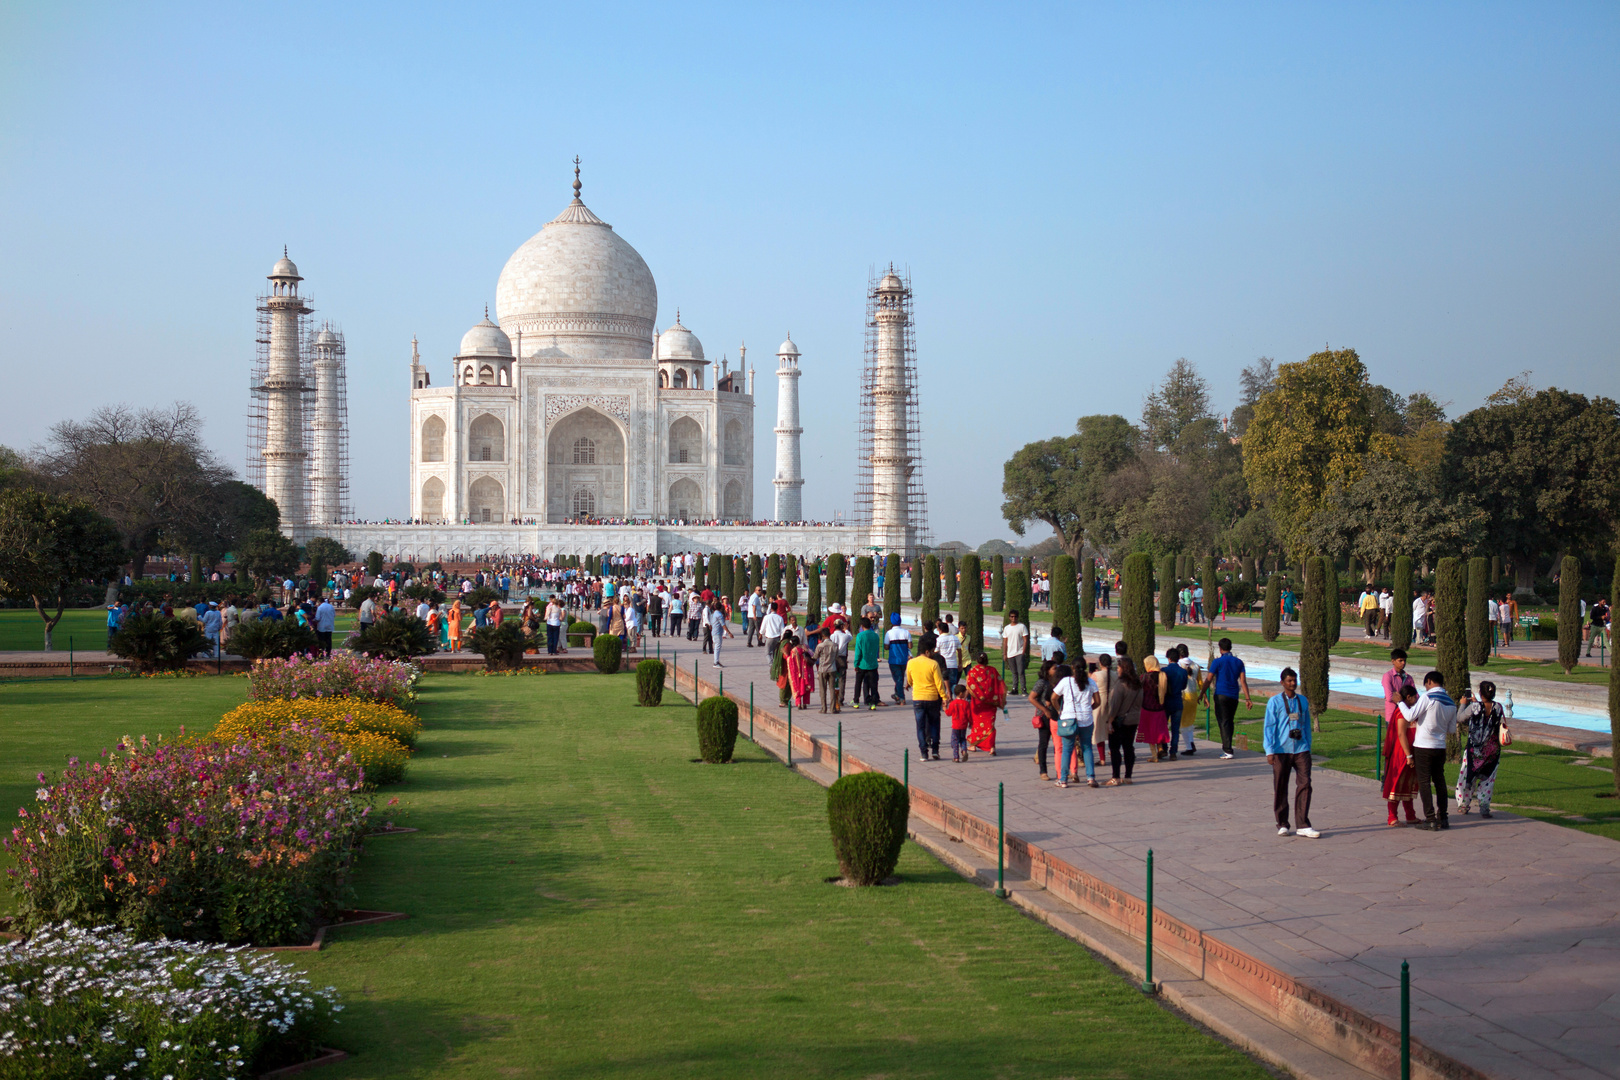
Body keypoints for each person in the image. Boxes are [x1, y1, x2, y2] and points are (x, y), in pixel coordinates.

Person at [1398, 670, 1459, 830]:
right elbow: (1452, 729)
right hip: (1440, 746)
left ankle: (1430, 818)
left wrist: (1400, 703)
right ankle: (1443, 817)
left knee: (1424, 782)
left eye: (1426, 684)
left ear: (1430, 682)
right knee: (1440, 781)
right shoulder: (1451, 702)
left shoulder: (1428, 697)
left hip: (1424, 745)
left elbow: (1410, 715)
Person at [1263, 668, 1319, 838]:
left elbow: (1306, 724)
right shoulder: (1274, 702)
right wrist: (1269, 750)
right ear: (1282, 682)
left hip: (1301, 748)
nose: (1293, 684)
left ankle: (1302, 824)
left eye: (1294, 680)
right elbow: (1269, 727)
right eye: (1289, 681)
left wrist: (1308, 745)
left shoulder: (1303, 701)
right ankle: (1282, 823)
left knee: (1305, 784)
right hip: (1281, 749)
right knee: (1280, 786)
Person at [1380, 649, 1419, 826]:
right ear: (1393, 661)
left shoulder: (1408, 678)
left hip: (1407, 729)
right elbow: (1390, 697)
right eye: (1400, 660)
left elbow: (1415, 695)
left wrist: (1403, 700)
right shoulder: (1388, 677)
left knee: (1409, 780)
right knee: (1396, 778)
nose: (1402, 663)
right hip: (1394, 720)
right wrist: (1401, 701)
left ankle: (1409, 814)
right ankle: (1392, 816)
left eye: (1404, 661)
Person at [1455, 681, 1505, 817]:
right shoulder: (1499, 707)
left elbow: (1459, 718)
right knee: (1488, 778)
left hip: (1474, 750)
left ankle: (1464, 804)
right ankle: (1484, 807)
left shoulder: (1474, 707)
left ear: (1480, 693)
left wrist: (1463, 703)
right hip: (1492, 750)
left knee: (1467, 776)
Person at [1051, 662, 1100, 788]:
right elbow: (1098, 701)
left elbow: (1054, 698)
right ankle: (1091, 777)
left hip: (1069, 717)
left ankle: (1063, 779)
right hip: (1086, 719)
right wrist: (1089, 708)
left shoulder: (1066, 681)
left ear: (1072, 668)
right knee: (1087, 748)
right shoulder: (1090, 682)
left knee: (1067, 749)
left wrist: (1059, 711)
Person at [1203, 638, 1253, 759]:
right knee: (1229, 720)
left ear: (1220, 648)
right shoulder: (1239, 662)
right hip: (1234, 696)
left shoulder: (1217, 662)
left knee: (1223, 721)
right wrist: (1247, 698)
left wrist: (1202, 693)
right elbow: (1243, 681)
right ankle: (1228, 745)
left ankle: (1228, 749)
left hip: (1221, 694)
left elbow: (1209, 678)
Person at [905, 632, 947, 760]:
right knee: (934, 724)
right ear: (927, 652)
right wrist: (944, 697)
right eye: (932, 651)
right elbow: (939, 683)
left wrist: (913, 684)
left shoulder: (911, 663)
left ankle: (924, 752)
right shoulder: (933, 664)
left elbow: (910, 680)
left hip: (918, 698)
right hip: (933, 698)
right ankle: (935, 750)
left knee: (920, 726)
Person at [1101, 656, 1142, 786]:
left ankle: (1116, 777)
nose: (1117, 670)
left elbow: (1115, 706)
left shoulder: (1121, 685)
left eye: (1118, 667)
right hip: (1134, 719)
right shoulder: (1138, 684)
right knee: (1128, 747)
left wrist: (1110, 721)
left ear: (1123, 669)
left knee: (1114, 748)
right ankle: (1128, 776)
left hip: (1120, 720)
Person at [964, 651, 1006, 756]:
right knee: (990, 725)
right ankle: (992, 747)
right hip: (991, 703)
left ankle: (973, 745)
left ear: (977, 660)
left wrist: (962, 699)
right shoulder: (993, 671)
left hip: (978, 704)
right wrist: (1002, 700)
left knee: (977, 724)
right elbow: (1001, 685)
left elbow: (969, 687)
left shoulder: (973, 672)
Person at [1028, 658, 1060, 780]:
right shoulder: (1042, 683)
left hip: (1056, 716)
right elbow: (1031, 698)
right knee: (1043, 744)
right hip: (1045, 716)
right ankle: (1043, 771)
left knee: (1058, 745)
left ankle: (1060, 770)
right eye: (1054, 669)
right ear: (1047, 671)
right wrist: (1045, 710)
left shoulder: (1057, 682)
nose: (1056, 671)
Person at [1138, 655, 1170, 763]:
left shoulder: (1144, 677)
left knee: (1149, 732)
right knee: (1159, 730)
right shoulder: (1163, 676)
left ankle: (1154, 755)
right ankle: (1160, 747)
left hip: (1147, 708)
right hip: (1160, 708)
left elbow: (1138, 690)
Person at [1161, 649, 1187, 761]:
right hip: (1177, 701)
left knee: (1163, 727)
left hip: (1166, 702)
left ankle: (1164, 748)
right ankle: (1173, 751)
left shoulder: (1164, 671)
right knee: (1175, 729)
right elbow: (1183, 686)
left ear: (1169, 658)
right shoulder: (1183, 672)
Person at [853, 616, 882, 709]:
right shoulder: (875, 635)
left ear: (862, 626)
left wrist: (856, 663)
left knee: (858, 683)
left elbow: (858, 651)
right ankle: (873, 703)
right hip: (872, 663)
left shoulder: (860, 636)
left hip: (862, 663)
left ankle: (856, 701)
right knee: (873, 684)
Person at [1000, 611, 1030, 695]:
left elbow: (1025, 640)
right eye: (1012, 617)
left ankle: (1023, 689)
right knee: (1014, 672)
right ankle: (1015, 688)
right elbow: (1005, 642)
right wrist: (1005, 654)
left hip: (1019, 652)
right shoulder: (1007, 628)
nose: (1014, 618)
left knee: (1021, 671)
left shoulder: (1022, 626)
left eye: (1015, 617)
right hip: (1010, 653)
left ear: (1017, 617)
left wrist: (1023, 651)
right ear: (1009, 617)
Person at [885, 614, 911, 705]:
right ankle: (897, 694)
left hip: (894, 659)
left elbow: (886, 646)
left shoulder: (889, 633)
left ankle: (901, 697)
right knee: (900, 678)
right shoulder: (906, 632)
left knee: (898, 679)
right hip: (904, 659)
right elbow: (910, 646)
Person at [946, 684, 973, 763]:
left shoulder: (953, 703)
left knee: (954, 741)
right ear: (961, 693)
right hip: (963, 725)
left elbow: (948, 713)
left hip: (955, 725)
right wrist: (970, 723)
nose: (966, 694)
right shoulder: (966, 703)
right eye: (965, 692)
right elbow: (969, 715)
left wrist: (944, 708)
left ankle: (956, 757)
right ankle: (964, 751)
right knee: (962, 739)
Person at [814, 631, 839, 712]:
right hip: (832, 668)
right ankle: (833, 708)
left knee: (822, 690)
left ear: (823, 636)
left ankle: (824, 708)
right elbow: (836, 656)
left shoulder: (820, 645)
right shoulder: (835, 645)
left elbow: (815, 656)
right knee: (832, 689)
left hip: (822, 669)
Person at [936, 620, 962, 691]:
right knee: (953, 685)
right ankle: (957, 697)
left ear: (940, 630)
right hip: (953, 665)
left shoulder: (939, 639)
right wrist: (960, 663)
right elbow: (959, 651)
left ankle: (944, 700)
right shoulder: (955, 638)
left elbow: (936, 652)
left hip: (943, 665)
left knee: (943, 685)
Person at [708, 601, 733, 667]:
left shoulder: (713, 614)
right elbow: (723, 625)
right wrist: (729, 633)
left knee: (717, 647)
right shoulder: (719, 615)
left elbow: (710, 624)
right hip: (717, 633)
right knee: (717, 648)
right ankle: (716, 662)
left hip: (714, 632)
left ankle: (716, 661)